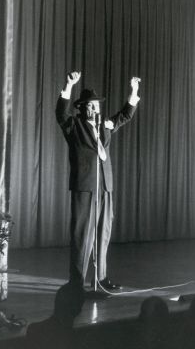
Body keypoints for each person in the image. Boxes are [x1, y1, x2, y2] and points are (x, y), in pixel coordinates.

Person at [56, 71, 140, 291]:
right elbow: (60, 114)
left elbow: (125, 115)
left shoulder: (106, 125)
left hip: (105, 186)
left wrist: (134, 91)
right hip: (85, 187)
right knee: (82, 234)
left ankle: (100, 279)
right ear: (82, 108)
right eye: (90, 105)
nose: (95, 108)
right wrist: (68, 85)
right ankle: (76, 282)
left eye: (97, 105)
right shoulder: (74, 125)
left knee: (103, 233)